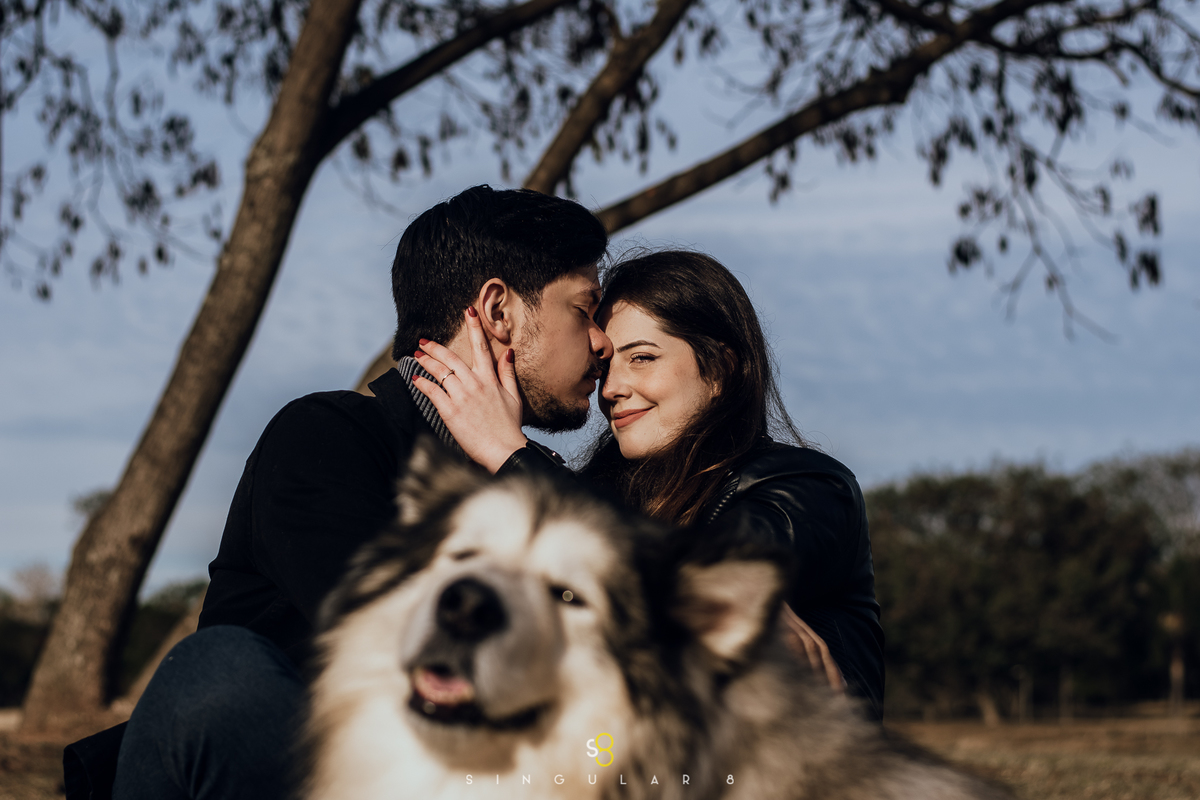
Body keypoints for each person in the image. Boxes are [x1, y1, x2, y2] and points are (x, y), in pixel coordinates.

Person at [65, 186, 613, 800]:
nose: (602, 342)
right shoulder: (328, 437)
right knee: (219, 671)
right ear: (497, 310)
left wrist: (511, 459)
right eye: (584, 310)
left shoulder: (529, 475)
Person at [412, 250, 885, 718]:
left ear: (720, 369)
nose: (612, 388)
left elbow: (696, 592)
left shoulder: (804, 487)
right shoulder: (599, 495)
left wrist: (511, 455)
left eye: (642, 358)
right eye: (606, 368)